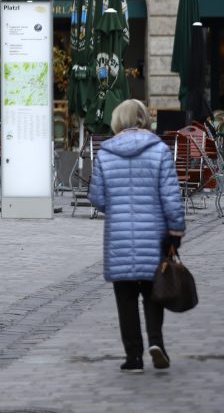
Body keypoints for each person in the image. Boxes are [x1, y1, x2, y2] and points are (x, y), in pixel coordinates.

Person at [89, 99, 185, 373]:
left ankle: (133, 358)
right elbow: (171, 197)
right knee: (154, 293)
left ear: (118, 120)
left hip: (119, 237)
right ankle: (156, 343)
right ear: (144, 118)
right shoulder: (159, 151)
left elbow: (97, 198)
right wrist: (175, 232)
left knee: (126, 298)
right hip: (154, 237)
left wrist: (117, 206)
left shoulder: (105, 153)